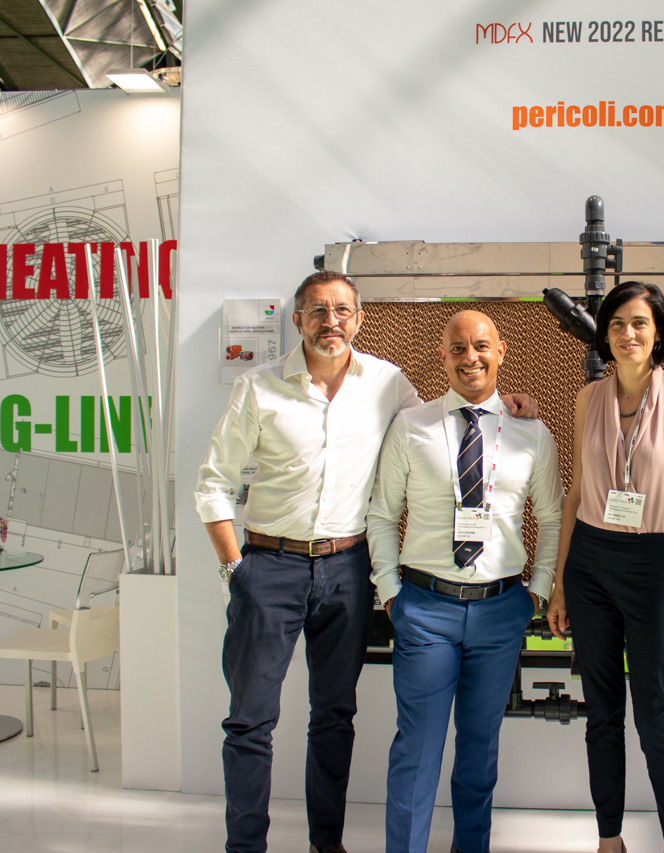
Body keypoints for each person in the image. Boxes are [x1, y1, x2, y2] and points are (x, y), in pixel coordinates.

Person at [195, 273, 534, 853]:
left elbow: (448, 420)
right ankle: (245, 847)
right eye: (318, 311)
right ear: (297, 320)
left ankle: (326, 844)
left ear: (358, 318)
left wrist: (509, 406)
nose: (331, 321)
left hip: (346, 569)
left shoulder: (386, 383)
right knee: (250, 720)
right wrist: (236, 572)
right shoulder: (258, 386)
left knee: (333, 715)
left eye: (342, 311)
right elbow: (213, 484)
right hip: (268, 566)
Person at [366, 310, 563, 853]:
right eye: (457, 348)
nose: (470, 357)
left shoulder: (531, 432)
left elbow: (552, 518)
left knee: (479, 751)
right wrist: (391, 593)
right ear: (442, 356)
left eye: (480, 346)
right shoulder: (412, 426)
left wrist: (538, 590)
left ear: (501, 351)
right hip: (425, 607)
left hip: (501, 610)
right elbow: (382, 514)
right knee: (417, 750)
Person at [546, 281, 664, 853]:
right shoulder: (587, 398)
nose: (627, 333)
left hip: (657, 565)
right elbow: (576, 494)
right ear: (605, 335)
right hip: (590, 564)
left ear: (658, 332)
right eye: (616, 323)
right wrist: (560, 583)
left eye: (639, 322)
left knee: (656, 713)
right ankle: (608, 838)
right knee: (601, 713)